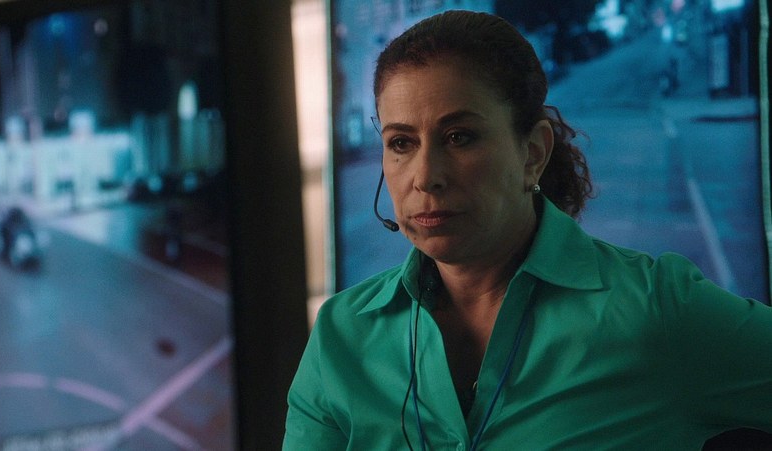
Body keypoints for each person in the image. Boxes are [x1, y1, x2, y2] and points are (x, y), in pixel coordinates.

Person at [283, 10, 772, 450]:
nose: (425, 176)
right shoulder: (342, 336)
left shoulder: (656, 311)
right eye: (401, 143)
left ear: (533, 153)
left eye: (459, 137)